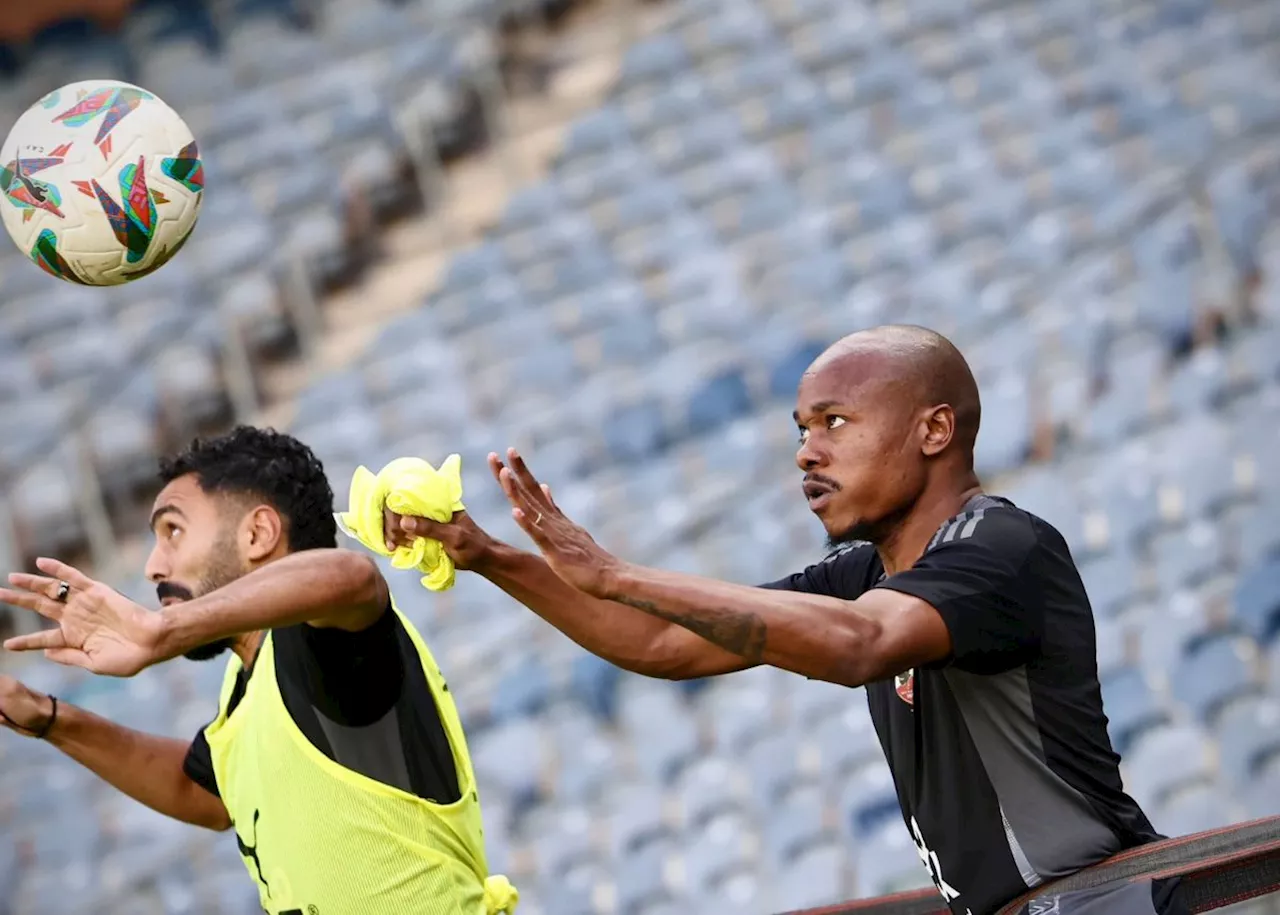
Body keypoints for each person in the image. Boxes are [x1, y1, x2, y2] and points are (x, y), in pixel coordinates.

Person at [381, 325, 1160, 915]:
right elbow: (659, 642)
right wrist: (486, 554)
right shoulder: (868, 572)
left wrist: (618, 573)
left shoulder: (1002, 546)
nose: (806, 453)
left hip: (1099, 899)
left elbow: (864, 644)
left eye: (835, 423)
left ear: (934, 430)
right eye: (800, 429)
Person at [0, 426, 516, 915]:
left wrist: (164, 632)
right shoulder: (247, 683)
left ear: (259, 534)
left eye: (173, 531)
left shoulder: (316, 643)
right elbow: (201, 793)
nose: (153, 567)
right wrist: (49, 719)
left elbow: (352, 577)